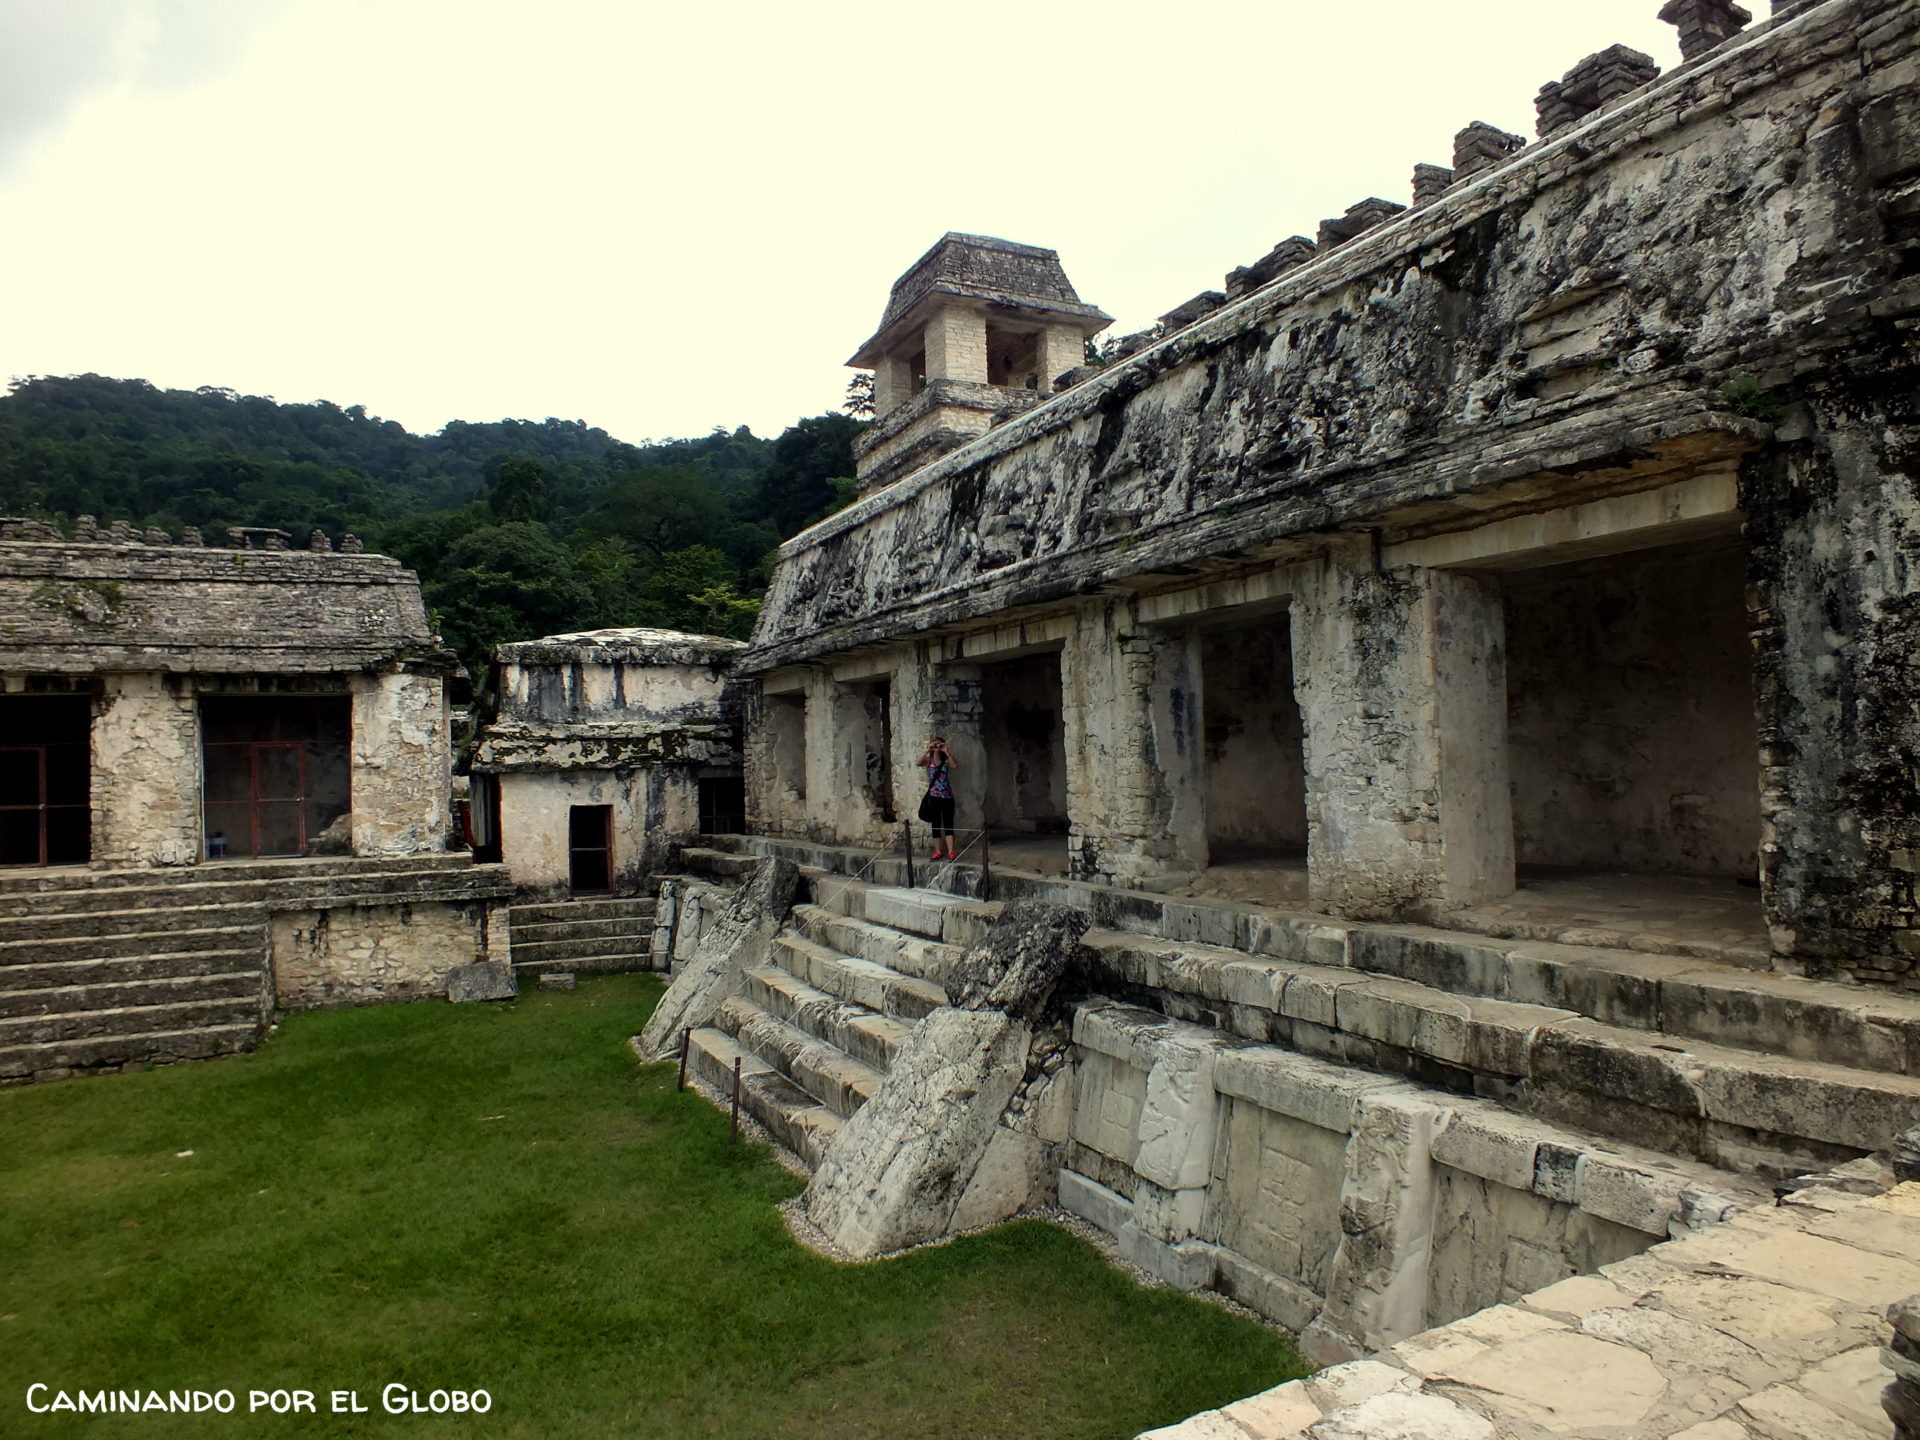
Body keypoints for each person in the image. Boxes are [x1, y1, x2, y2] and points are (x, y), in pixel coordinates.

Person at [916, 736, 957, 861]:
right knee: (936, 824)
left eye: (939, 745)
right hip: (934, 797)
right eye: (936, 745)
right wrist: (928, 750)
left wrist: (946, 751)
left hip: (947, 796)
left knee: (948, 823)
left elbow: (954, 765)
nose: (937, 748)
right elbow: (918, 763)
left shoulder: (945, 761)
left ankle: (951, 851)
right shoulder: (929, 762)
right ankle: (938, 851)